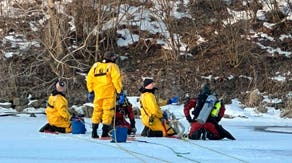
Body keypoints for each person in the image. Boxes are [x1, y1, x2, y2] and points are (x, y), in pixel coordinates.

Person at [86, 51, 123, 138]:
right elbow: (116, 80)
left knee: (97, 111)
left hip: (98, 93)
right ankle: (104, 133)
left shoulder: (96, 66)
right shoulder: (113, 66)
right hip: (109, 94)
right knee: (108, 112)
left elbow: (89, 79)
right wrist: (120, 92)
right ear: (112, 58)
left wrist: (90, 91)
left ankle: (94, 132)